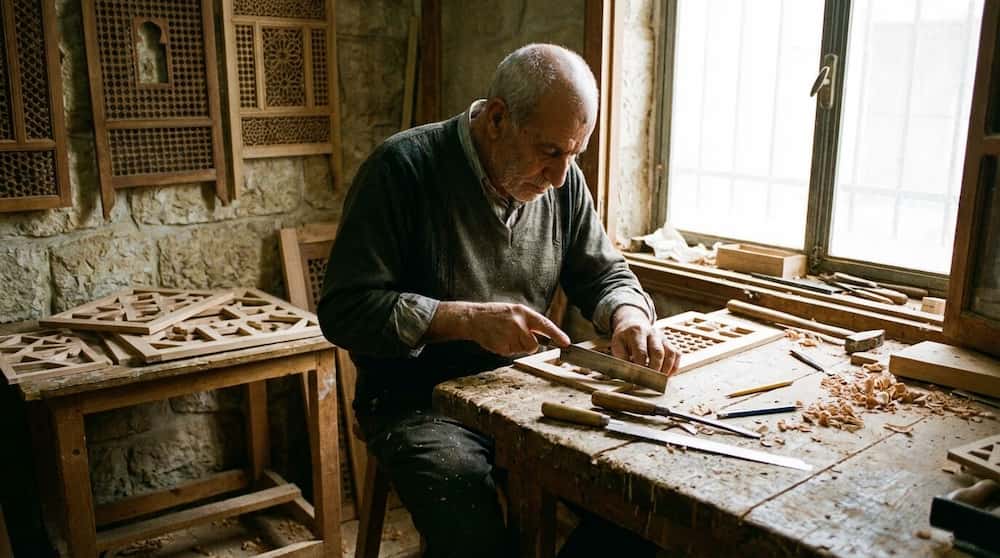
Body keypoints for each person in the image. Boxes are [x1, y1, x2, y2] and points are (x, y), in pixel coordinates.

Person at [318, 43, 679, 558]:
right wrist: (460, 319)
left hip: (523, 390)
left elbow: (604, 272)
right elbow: (344, 310)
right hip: (419, 400)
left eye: (575, 154)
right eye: (551, 151)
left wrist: (628, 314)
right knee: (471, 527)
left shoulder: (563, 182)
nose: (560, 175)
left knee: (640, 501)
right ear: (496, 119)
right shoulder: (402, 169)